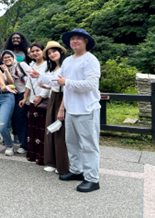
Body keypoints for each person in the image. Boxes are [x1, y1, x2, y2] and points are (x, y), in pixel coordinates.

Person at [29, 29, 101, 193]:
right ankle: (76, 170)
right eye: (72, 39)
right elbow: (57, 80)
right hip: (71, 109)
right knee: (72, 143)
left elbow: (90, 84)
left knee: (89, 145)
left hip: (86, 109)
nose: (75, 41)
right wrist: (38, 76)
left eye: (79, 39)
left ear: (86, 41)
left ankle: (92, 179)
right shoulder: (68, 61)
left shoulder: (91, 60)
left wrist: (66, 82)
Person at [36, 41, 70, 174]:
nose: (52, 54)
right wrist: (47, 86)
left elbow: (66, 88)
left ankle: (63, 165)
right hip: (53, 97)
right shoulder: (53, 68)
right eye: (49, 53)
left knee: (61, 132)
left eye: (54, 51)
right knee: (51, 129)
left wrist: (62, 108)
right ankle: (52, 161)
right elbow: (56, 84)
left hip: (62, 99)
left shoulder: (66, 67)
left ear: (61, 52)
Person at [19, 42, 48, 165]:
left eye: (37, 50)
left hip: (43, 99)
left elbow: (50, 83)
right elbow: (29, 83)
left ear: (43, 51)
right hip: (32, 100)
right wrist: (25, 97)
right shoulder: (31, 65)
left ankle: (41, 155)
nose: (35, 53)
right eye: (32, 51)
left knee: (42, 128)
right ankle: (32, 153)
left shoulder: (47, 65)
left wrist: (41, 96)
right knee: (33, 127)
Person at [1, 50, 28, 153]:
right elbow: (7, 83)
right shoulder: (5, 70)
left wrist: (26, 96)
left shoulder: (22, 65)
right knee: (18, 119)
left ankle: (25, 144)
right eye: (4, 58)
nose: (7, 59)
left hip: (26, 94)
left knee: (21, 119)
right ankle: (23, 143)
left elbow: (30, 78)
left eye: (9, 57)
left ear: (13, 57)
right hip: (14, 95)